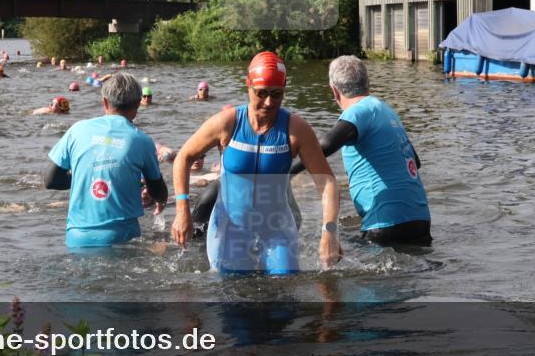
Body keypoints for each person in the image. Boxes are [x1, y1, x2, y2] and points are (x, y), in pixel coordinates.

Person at [171, 51, 341, 273]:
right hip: (231, 229)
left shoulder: (295, 129)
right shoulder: (227, 123)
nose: (269, 102)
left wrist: (330, 231)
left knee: (286, 286)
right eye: (261, 93)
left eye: (277, 94)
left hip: (277, 230)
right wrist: (182, 209)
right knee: (231, 291)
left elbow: (327, 182)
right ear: (248, 84)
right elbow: (183, 158)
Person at [297, 56, 431, 246]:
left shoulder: (357, 111)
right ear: (367, 83)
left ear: (334, 90)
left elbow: (326, 144)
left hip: (386, 224)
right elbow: (414, 162)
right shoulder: (386, 110)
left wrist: (287, 172)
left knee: (333, 249)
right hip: (420, 220)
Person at [43, 72, 167, 247]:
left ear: (105, 102)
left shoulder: (77, 130)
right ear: (138, 104)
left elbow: (50, 180)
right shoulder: (142, 140)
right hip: (121, 237)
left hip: (77, 236)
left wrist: (87, 175)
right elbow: (159, 193)